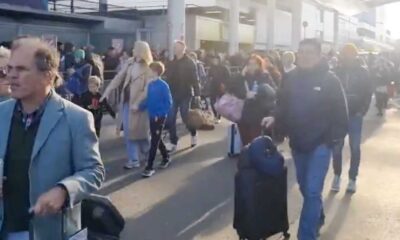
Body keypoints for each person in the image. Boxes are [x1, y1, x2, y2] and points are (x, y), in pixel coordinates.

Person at [0, 37, 105, 240]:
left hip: (51, 231)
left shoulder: (77, 118)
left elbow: (94, 171)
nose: (11, 75)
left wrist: (64, 190)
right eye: (9, 69)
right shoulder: (1, 113)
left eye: (21, 69)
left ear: (48, 75)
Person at [262, 39, 348, 240]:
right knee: (305, 187)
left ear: (319, 56)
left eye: (309, 52)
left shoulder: (330, 80)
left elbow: (340, 114)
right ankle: (317, 216)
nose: (304, 56)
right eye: (301, 52)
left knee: (311, 191)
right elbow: (281, 103)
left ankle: (306, 235)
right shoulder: (290, 78)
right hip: (298, 143)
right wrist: (274, 116)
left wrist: (332, 140)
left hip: (321, 145)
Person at [101, 41, 153, 169]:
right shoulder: (130, 62)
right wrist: (107, 91)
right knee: (129, 133)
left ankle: (147, 152)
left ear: (141, 50)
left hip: (140, 105)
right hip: (126, 102)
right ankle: (133, 159)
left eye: (135, 48)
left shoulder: (149, 68)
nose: (133, 50)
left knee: (140, 133)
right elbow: (119, 77)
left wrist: (138, 103)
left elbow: (147, 89)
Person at [331, 43, 373, 193]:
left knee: (355, 147)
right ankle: (337, 175)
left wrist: (363, 110)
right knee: (337, 147)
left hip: (355, 114)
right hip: (339, 116)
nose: (348, 57)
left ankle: (352, 179)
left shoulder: (363, 72)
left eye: (351, 54)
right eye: (345, 54)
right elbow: (331, 92)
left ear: (355, 55)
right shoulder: (336, 71)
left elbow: (368, 92)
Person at [165, 41, 201, 152]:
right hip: (173, 93)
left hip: (185, 93)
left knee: (185, 117)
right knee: (171, 118)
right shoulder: (171, 63)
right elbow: (167, 78)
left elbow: (195, 79)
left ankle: (193, 133)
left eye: (177, 47)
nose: (175, 49)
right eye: (174, 47)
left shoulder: (190, 63)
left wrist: (197, 94)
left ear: (183, 49)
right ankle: (173, 141)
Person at [139, 62, 173, 178]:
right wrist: (139, 107)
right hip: (151, 116)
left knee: (154, 141)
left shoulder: (163, 85)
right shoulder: (150, 85)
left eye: (150, 70)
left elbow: (168, 103)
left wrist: (159, 114)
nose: (148, 72)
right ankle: (166, 157)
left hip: (159, 117)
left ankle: (149, 167)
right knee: (156, 138)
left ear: (155, 72)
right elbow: (149, 100)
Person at [238, 54, 276, 145]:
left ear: (259, 65)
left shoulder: (265, 76)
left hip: (259, 113)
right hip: (245, 113)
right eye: (249, 64)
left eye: (254, 64)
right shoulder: (243, 76)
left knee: (256, 141)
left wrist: (257, 94)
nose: (251, 66)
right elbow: (233, 90)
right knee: (245, 140)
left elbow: (272, 92)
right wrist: (241, 76)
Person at [208, 55, 230, 122]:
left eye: (216, 60)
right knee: (212, 102)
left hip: (221, 87)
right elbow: (209, 76)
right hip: (213, 87)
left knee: (220, 103)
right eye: (214, 60)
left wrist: (224, 84)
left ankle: (219, 116)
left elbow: (228, 77)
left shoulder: (224, 68)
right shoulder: (211, 68)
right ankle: (215, 115)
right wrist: (210, 78)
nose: (215, 61)